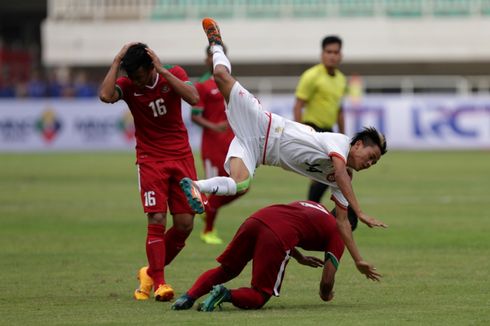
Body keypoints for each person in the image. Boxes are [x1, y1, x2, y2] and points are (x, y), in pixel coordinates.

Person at [180, 18, 388, 279]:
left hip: (256, 150)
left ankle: (196, 186)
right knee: (221, 75)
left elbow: (343, 223)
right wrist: (361, 211)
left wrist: (358, 261)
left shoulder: (341, 178)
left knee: (240, 184)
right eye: (371, 156)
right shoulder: (340, 143)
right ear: (357, 145)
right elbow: (342, 173)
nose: (370, 163)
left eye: (374, 163)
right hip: (262, 124)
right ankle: (216, 43)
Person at [99, 42, 199, 302]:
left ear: (151, 68)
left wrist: (163, 73)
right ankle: (160, 283)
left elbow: (193, 98)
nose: (136, 82)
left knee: (185, 224)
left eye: (140, 76)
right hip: (150, 159)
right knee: (156, 219)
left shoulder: (173, 73)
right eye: (131, 77)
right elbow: (105, 95)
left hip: (181, 157)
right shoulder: (129, 85)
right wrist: (116, 60)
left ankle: (149, 272)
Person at [171, 200, 373, 311]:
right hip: (276, 235)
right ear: (349, 227)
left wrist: (298, 256)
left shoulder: (316, 207)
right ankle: (225, 294)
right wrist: (326, 294)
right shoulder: (339, 232)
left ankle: (187, 297)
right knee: (260, 295)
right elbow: (327, 280)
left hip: (257, 218)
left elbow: (288, 222)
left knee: (227, 269)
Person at [191, 44, 244, 245]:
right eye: (211, 56)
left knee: (241, 186)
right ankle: (208, 230)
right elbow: (194, 116)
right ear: (207, 60)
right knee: (215, 187)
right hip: (212, 146)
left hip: (233, 144)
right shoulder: (202, 85)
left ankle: (208, 207)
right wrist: (214, 126)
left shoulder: (231, 82)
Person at [293, 35, 347, 204]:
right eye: (328, 51)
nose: (332, 55)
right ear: (322, 54)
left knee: (329, 174)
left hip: (329, 131)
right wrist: (300, 132)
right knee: (328, 173)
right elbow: (298, 106)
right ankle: (312, 207)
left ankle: (312, 207)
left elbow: (339, 110)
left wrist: (343, 138)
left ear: (341, 55)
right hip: (312, 129)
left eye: (336, 52)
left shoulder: (341, 79)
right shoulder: (311, 76)